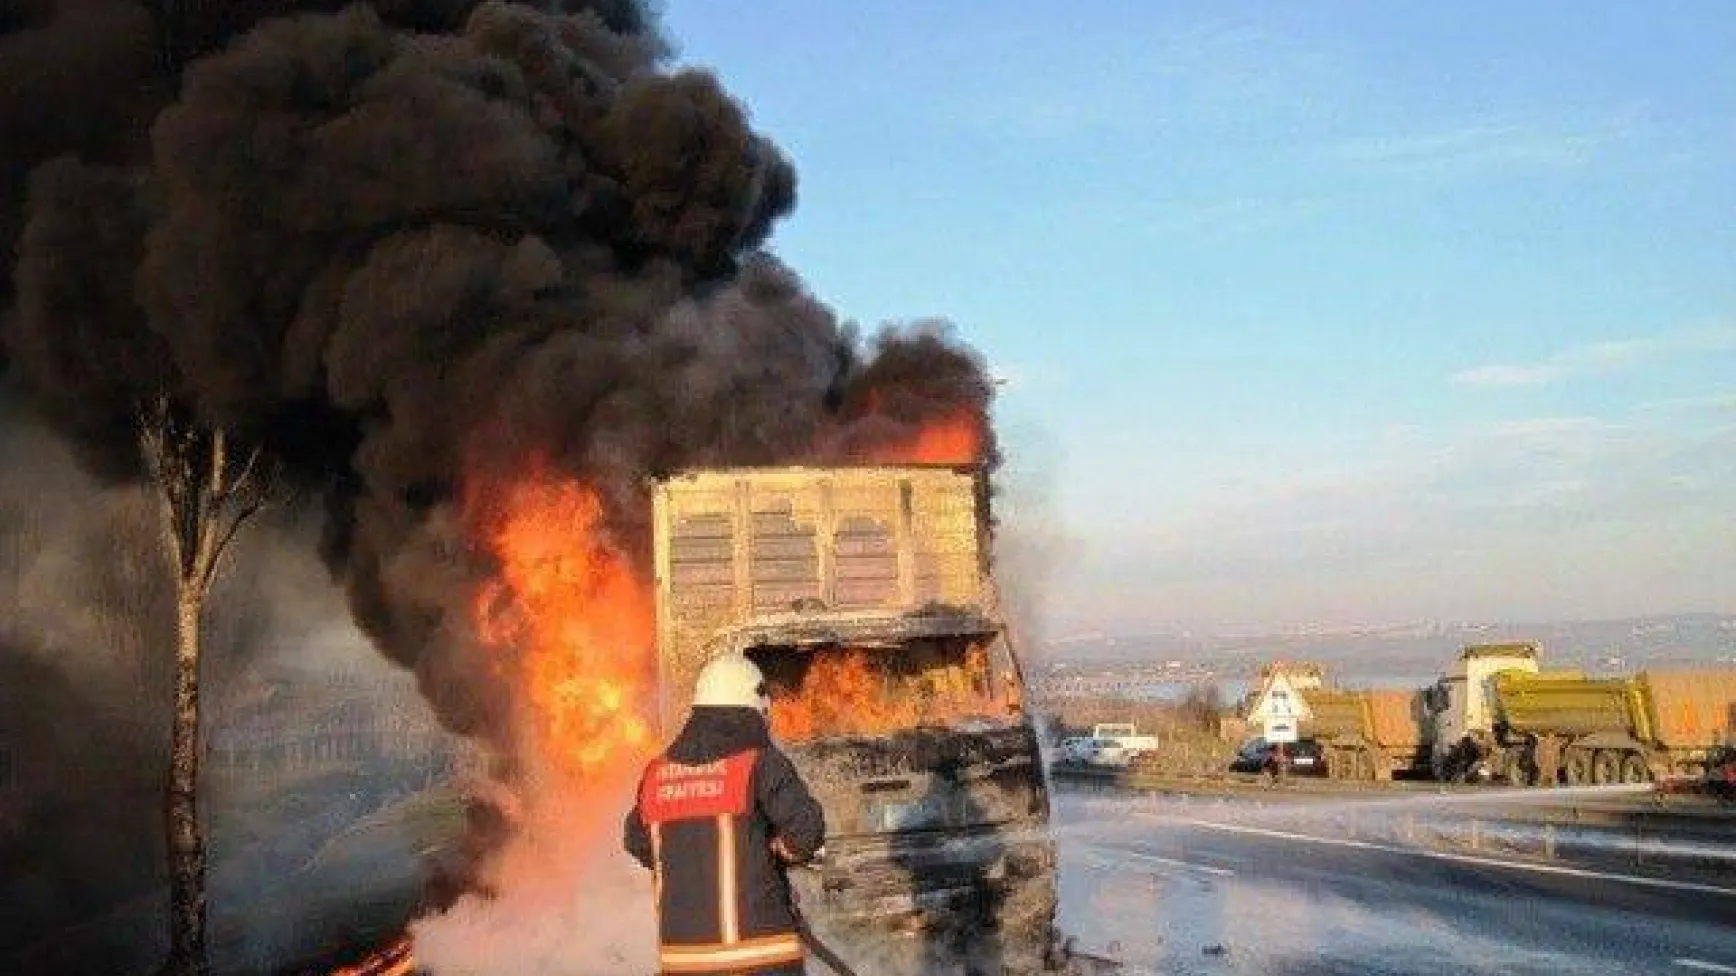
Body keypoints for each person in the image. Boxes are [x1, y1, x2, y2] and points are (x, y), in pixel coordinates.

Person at [624, 653, 826, 975]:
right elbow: (806, 831)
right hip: (761, 958)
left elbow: (638, 841)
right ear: (753, 708)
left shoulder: (657, 774)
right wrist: (773, 850)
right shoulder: (757, 763)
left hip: (683, 962)